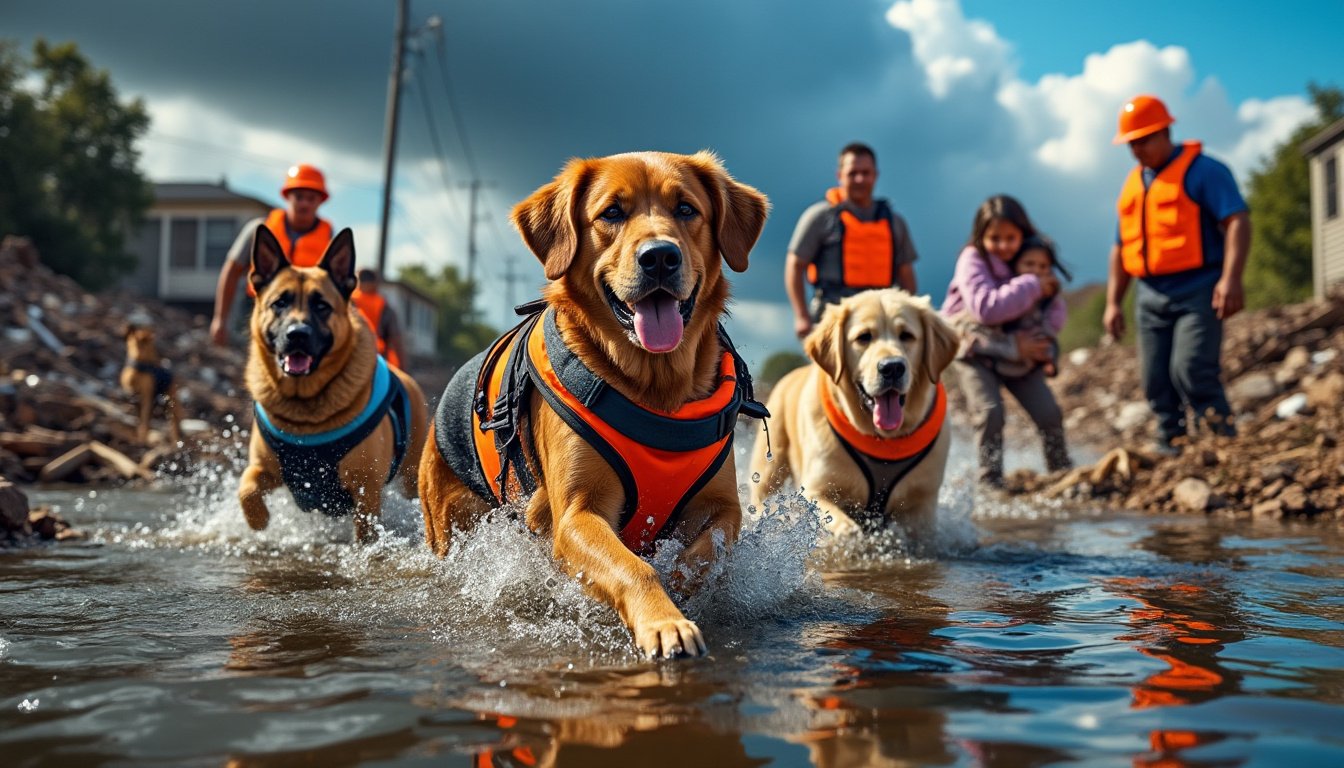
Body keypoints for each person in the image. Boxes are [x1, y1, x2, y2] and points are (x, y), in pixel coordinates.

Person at [1103, 95, 1250, 455]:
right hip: (1149, 294)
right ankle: (1171, 443)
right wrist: (1112, 303)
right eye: (1131, 143)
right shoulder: (1133, 184)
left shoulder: (1205, 171)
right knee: (1155, 379)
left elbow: (1237, 221)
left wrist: (1230, 278)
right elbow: (1122, 248)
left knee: (1192, 368)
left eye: (1144, 140)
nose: (1137, 149)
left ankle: (1220, 439)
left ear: (1166, 131)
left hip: (1199, 288)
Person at [941, 195, 1071, 488]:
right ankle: (990, 482)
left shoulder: (1030, 259)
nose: (1002, 246)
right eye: (994, 238)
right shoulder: (973, 260)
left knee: (1048, 412)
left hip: (1019, 353)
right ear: (980, 236)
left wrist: (1047, 348)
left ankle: (1062, 474)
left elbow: (1052, 307)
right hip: (973, 347)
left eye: (1010, 238)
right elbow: (985, 309)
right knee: (990, 412)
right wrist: (1032, 284)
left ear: (1022, 234)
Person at [785, 142, 919, 339]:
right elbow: (794, 265)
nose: (860, 179)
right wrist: (801, 316)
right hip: (833, 316)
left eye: (866, 173)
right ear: (839, 175)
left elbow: (907, 275)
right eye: (853, 173)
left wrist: (908, 315)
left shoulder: (895, 222)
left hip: (882, 318)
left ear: (875, 175)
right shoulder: (820, 217)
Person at [209, 163, 334, 346]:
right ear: (287, 197)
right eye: (299, 197)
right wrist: (220, 318)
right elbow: (231, 271)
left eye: (311, 198)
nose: (304, 203)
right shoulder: (259, 229)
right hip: (258, 305)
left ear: (320, 201)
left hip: (308, 310)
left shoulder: (328, 236)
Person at [952, 235, 1071, 378]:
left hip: (1025, 363)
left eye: (1043, 266)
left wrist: (1045, 343)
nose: (1036, 270)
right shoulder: (1006, 290)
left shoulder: (1048, 294)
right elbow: (986, 314)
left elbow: (1054, 317)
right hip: (983, 353)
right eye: (1029, 264)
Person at [351, 268, 407, 371]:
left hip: (348, 356)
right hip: (375, 359)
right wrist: (403, 369)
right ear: (374, 283)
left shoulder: (348, 301)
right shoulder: (383, 306)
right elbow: (396, 340)